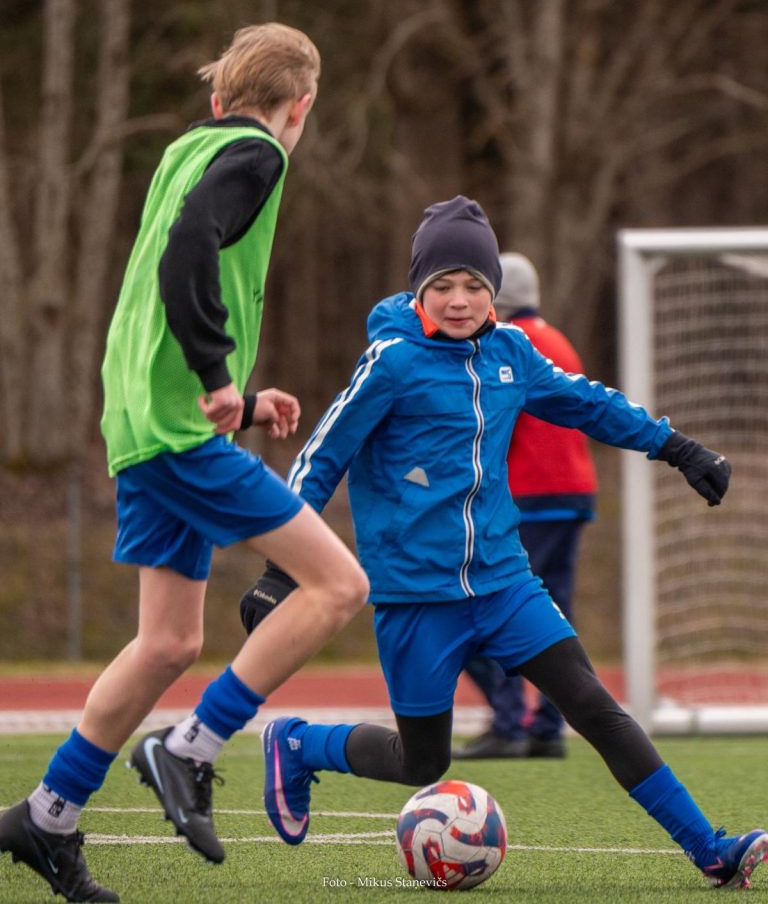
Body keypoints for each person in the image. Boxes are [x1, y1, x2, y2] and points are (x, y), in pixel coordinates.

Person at [240, 195, 766, 889]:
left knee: (595, 707)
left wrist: (675, 446)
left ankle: (712, 849)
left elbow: (590, 403)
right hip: (415, 598)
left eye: (474, 287)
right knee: (422, 763)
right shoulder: (390, 363)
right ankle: (300, 743)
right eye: (443, 286)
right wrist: (284, 568)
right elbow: (319, 458)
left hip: (504, 582)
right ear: (417, 290)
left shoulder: (512, 354)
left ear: (493, 294)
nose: (459, 301)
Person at [0, 23, 369, 904]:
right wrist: (214, 375)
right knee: (339, 587)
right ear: (301, 107)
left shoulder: (186, 150)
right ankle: (190, 748)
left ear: (216, 98)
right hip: (177, 433)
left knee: (168, 639)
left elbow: (167, 285)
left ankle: (47, 818)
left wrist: (242, 391)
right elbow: (189, 251)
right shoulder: (258, 155)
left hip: (138, 425)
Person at [453, 252, 598, 761]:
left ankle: (510, 720)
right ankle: (548, 728)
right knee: (556, 609)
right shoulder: (558, 338)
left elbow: (492, 423)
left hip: (532, 494)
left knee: (489, 605)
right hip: (574, 492)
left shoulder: (509, 344)